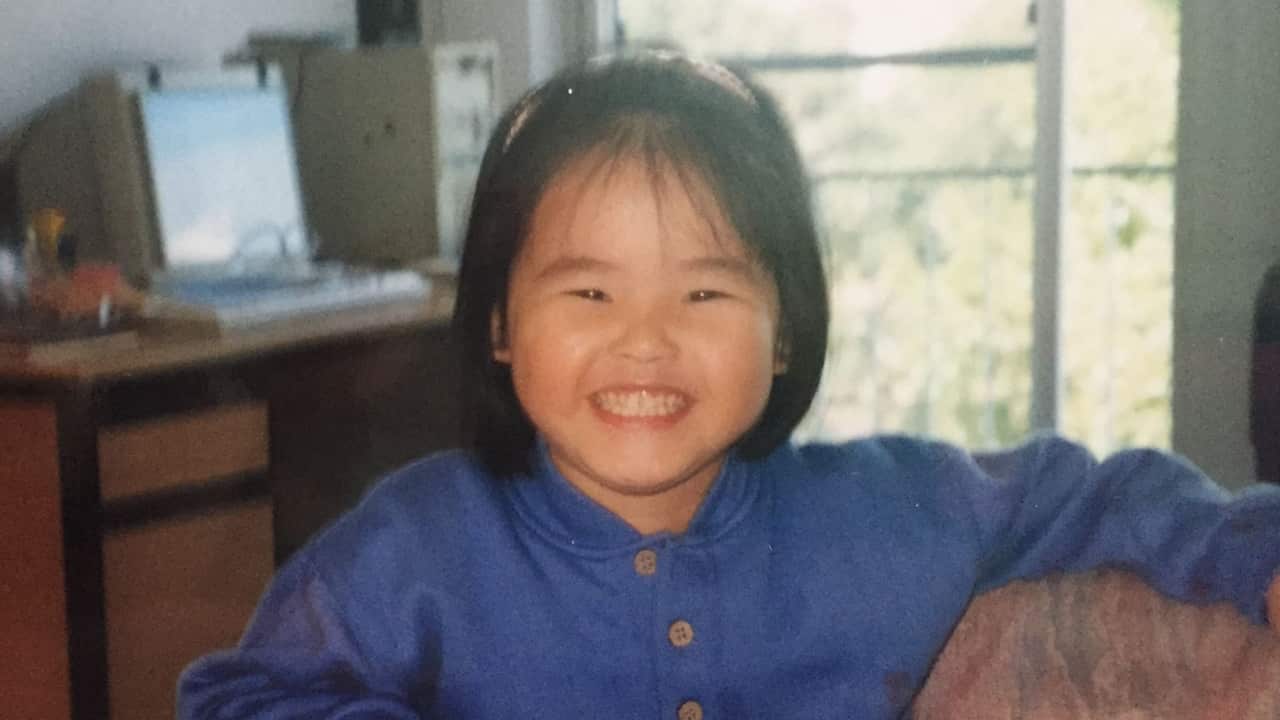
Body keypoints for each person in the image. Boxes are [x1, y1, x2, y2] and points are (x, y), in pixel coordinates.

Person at [179, 53, 1280, 719]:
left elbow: (1082, 494)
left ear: (785, 329)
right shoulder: (415, 544)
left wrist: (1255, 552)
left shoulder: (881, 514)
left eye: (704, 296)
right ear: (503, 325)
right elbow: (239, 694)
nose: (646, 343)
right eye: (590, 296)